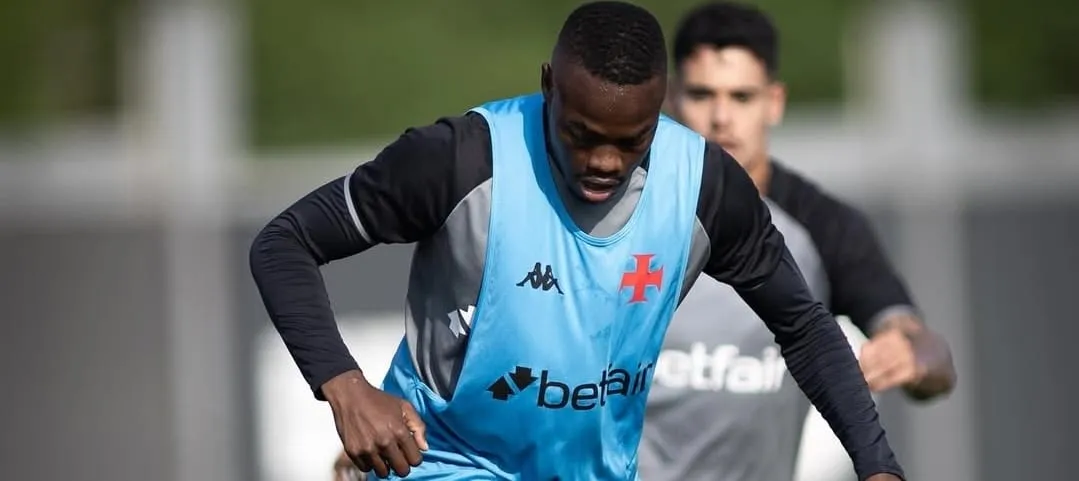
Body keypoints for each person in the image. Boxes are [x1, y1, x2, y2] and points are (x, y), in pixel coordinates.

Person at [249, 2, 905, 480]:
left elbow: (803, 326)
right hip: (441, 459)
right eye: (581, 134)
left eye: (631, 141)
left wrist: (877, 465)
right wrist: (345, 386)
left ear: (659, 110)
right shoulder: (460, 161)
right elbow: (284, 244)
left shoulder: (705, 188)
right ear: (547, 87)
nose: (604, 163)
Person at [637, 3, 957, 481]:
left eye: (741, 97)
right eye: (702, 94)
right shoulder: (625, 212)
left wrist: (912, 354)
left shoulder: (822, 227)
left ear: (774, 102)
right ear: (670, 98)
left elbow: (929, 354)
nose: (721, 117)